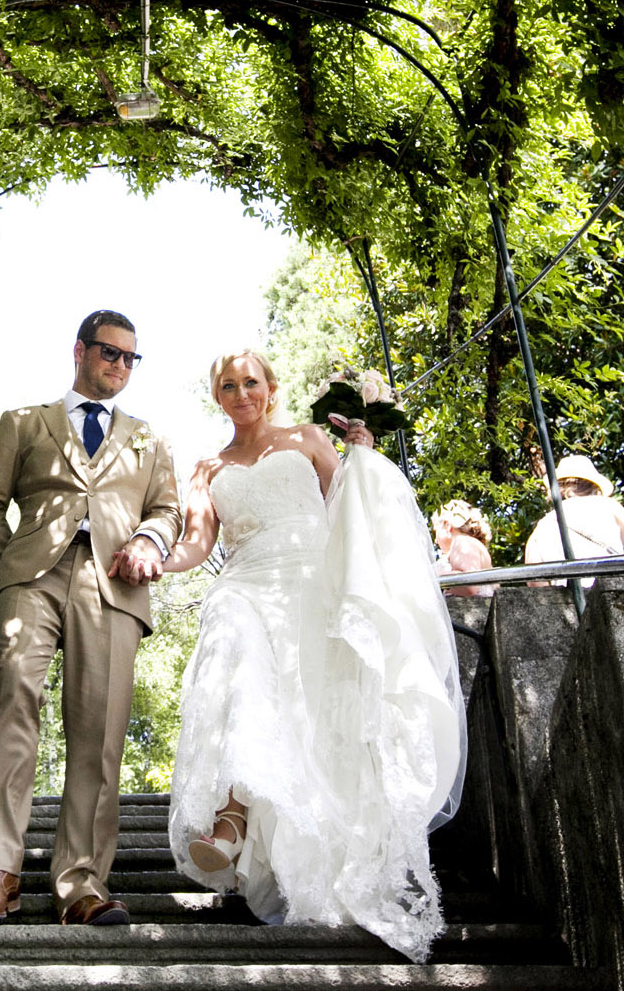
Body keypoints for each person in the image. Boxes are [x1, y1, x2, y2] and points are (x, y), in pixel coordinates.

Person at [160, 349, 466, 960]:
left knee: (302, 712)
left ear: (270, 389)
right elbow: (197, 543)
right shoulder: (205, 468)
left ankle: (280, 836)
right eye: (229, 385)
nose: (242, 392)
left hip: (308, 584)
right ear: (217, 397)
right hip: (243, 582)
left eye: (252, 382)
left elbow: (346, 504)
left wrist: (363, 448)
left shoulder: (304, 438)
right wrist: (153, 563)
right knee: (231, 655)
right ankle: (229, 821)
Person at [0, 310, 182, 927]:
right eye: (110, 353)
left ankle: (80, 883)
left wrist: (147, 542)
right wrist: (14, 572)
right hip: (30, 577)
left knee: (100, 731)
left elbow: (169, 510)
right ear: (79, 350)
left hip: (113, 584)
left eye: (131, 358)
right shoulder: (24, 424)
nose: (120, 366)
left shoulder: (150, 438)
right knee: (9, 705)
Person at [522, 456, 624, 585]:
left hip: (570, 600)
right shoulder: (608, 505)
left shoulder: (543, 526)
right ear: (593, 485)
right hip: (613, 591)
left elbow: (534, 580)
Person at [432, 499, 494, 598]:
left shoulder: (462, 542)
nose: (435, 540)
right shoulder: (473, 544)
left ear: (447, 526)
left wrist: (427, 577)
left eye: (436, 531)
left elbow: (467, 584)